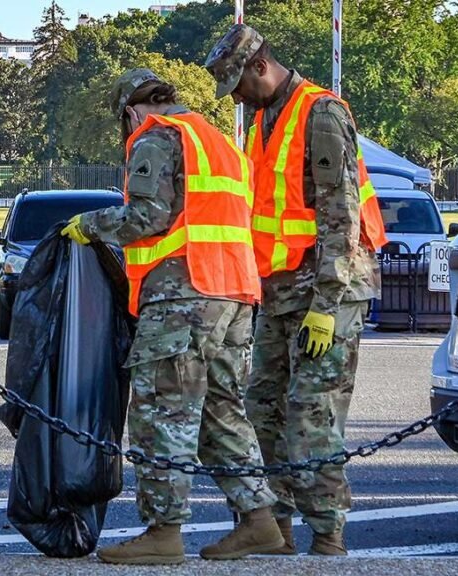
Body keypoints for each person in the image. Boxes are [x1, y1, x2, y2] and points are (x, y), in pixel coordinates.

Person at [61, 68, 284, 565]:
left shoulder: (157, 138)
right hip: (235, 292)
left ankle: (163, 531)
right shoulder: (220, 141)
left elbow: (147, 217)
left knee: (163, 411)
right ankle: (258, 521)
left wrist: (90, 225)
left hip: (184, 295)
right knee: (221, 412)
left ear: (132, 111)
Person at [204, 25, 388, 555]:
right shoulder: (264, 119)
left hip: (327, 290)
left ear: (261, 66)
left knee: (311, 415)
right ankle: (275, 531)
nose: (236, 97)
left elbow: (341, 216)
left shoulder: (320, 113)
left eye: (238, 84)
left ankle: (327, 537)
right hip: (281, 290)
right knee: (263, 408)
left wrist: (327, 306)